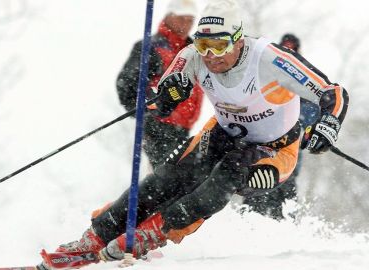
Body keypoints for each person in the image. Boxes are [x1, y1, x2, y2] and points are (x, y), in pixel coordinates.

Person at [38, 0, 349, 267]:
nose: (210, 55)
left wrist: (328, 124)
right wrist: (167, 95)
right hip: (222, 134)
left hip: (275, 148)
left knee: (227, 177)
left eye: (220, 46)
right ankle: (93, 237)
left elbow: (332, 93)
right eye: (203, 45)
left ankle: (155, 234)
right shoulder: (192, 56)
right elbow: (164, 99)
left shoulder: (270, 59)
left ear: (239, 40)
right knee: (166, 179)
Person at [241, 33, 320, 220]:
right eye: (286, 49)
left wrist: (305, 125)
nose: (289, 53)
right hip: (261, 158)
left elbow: (313, 115)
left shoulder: (305, 84)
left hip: (288, 164)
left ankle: (286, 240)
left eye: (293, 50)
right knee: (254, 207)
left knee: (284, 212)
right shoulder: (267, 78)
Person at [116, 0, 204, 169]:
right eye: (182, 18)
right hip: (159, 127)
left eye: (190, 20)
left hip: (183, 127)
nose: (186, 24)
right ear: (169, 16)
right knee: (171, 175)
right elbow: (126, 86)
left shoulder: (194, 49)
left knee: (180, 175)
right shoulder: (152, 47)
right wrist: (151, 107)